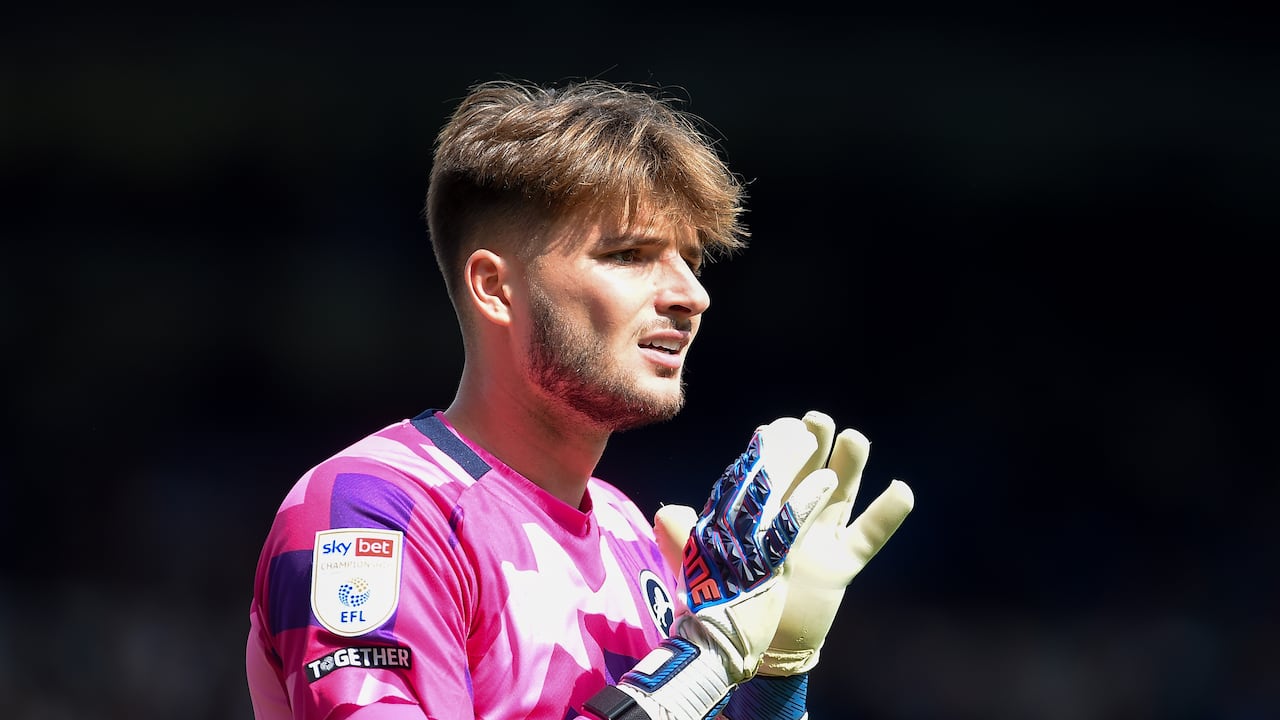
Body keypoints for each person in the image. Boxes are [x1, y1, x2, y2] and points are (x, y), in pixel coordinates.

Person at [245, 77, 915, 720]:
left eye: (691, 260)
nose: (691, 296)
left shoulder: (636, 539)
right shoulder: (371, 513)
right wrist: (705, 658)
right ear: (494, 287)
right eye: (629, 255)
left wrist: (775, 679)